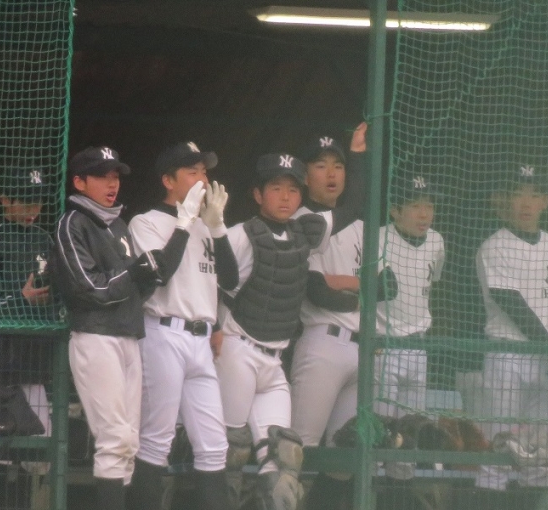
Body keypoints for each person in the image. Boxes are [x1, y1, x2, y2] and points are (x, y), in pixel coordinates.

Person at [215, 148, 365, 510]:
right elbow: (218, 289)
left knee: (284, 456)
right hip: (237, 349)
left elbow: (354, 204)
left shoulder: (306, 232)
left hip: (274, 359)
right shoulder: (240, 234)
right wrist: (215, 331)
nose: (285, 197)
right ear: (257, 194)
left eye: (293, 189)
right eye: (276, 188)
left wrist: (359, 156)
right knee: (230, 453)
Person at [51, 146, 164, 510]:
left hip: (127, 334)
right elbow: (89, 288)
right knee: (115, 440)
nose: (112, 184)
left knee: (129, 441)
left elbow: (132, 291)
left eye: (115, 176)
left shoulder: (118, 224)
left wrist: (147, 275)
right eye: (102, 176)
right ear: (80, 182)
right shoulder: (72, 222)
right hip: (95, 336)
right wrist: (132, 273)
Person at [127, 141, 236, 510]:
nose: (202, 179)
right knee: (156, 441)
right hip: (163, 333)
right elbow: (160, 274)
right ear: (168, 180)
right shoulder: (145, 221)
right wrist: (185, 222)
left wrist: (217, 228)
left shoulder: (207, 224)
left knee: (215, 447)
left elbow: (231, 280)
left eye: (204, 171)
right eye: (192, 172)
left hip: (201, 341)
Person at [473, 164, 548, 508]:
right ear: (506, 200)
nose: (526, 202)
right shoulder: (495, 245)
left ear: (545, 201)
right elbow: (511, 302)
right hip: (507, 356)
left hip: (547, 360)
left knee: (540, 459)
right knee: (498, 452)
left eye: (534, 194)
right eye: (518, 194)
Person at [288, 128, 369, 510]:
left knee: (343, 460)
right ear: (305, 176)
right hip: (322, 341)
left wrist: (350, 285)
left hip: (361, 347)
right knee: (297, 453)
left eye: (338, 165)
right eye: (320, 165)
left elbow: (388, 287)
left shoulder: (360, 227)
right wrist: (364, 287)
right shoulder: (300, 219)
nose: (331, 173)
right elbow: (318, 292)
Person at [373, 173, 445, 506]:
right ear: (395, 210)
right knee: (380, 434)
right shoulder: (377, 239)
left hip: (419, 346)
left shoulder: (437, 241)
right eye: (415, 205)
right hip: (383, 345)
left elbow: (433, 284)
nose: (424, 213)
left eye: (429, 205)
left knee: (409, 438)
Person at [0, 164, 59, 471]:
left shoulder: (46, 240)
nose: (33, 209)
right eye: (25, 201)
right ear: (4, 199)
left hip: (32, 360)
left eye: (37, 201)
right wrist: (21, 299)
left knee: (40, 457)